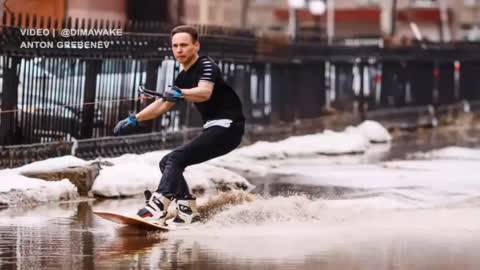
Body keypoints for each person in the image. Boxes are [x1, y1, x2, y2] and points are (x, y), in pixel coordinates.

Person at [113, 25, 245, 225]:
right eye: (175, 46)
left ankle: (158, 206)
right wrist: (135, 119)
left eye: (184, 45)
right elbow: (164, 104)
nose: (179, 50)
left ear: (196, 46)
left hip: (228, 128)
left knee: (175, 158)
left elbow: (204, 92)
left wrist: (181, 93)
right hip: (214, 128)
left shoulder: (207, 66)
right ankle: (187, 212)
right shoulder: (182, 76)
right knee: (167, 162)